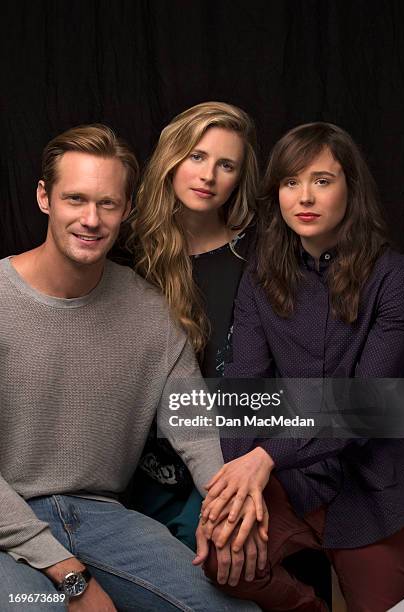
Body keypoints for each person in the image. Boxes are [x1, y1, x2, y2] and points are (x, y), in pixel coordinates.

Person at [0, 123, 260, 612]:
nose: (91, 219)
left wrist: (229, 511)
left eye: (108, 204)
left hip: (103, 518)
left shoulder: (150, 312)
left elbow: (194, 425)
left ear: (128, 210)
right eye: (75, 199)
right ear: (44, 198)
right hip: (4, 522)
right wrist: (69, 577)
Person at [198, 122, 404, 611]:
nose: (304, 197)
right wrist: (238, 479)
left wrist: (264, 457)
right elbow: (240, 391)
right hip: (293, 485)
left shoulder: (394, 278)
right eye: (291, 183)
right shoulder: (261, 277)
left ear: (350, 189)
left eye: (322, 180)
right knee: (222, 561)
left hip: (374, 488)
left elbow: (364, 405)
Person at [126, 101, 259, 550]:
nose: (208, 175)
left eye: (226, 165)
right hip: (139, 471)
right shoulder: (129, 252)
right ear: (172, 158)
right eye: (197, 156)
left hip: (228, 463)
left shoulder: (256, 258)